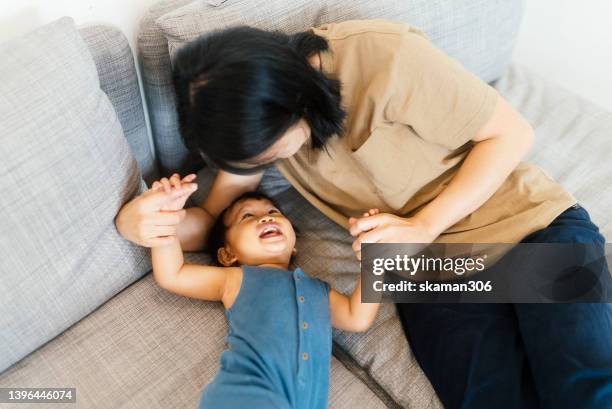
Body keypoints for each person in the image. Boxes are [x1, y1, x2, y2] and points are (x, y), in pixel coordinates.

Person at [115, 19, 612, 408]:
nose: (263, 169)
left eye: (265, 155)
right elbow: (210, 224)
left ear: (293, 99)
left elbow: (513, 134)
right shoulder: (254, 137)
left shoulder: (381, 56)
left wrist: (421, 226)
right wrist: (140, 222)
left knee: (585, 384)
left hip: (527, 227)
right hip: (435, 273)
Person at [146, 177, 380, 409]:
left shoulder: (318, 290)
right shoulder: (237, 279)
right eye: (247, 216)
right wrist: (165, 219)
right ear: (227, 255)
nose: (266, 217)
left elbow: (357, 318)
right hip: (246, 394)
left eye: (274, 212)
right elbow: (172, 274)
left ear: (294, 244)